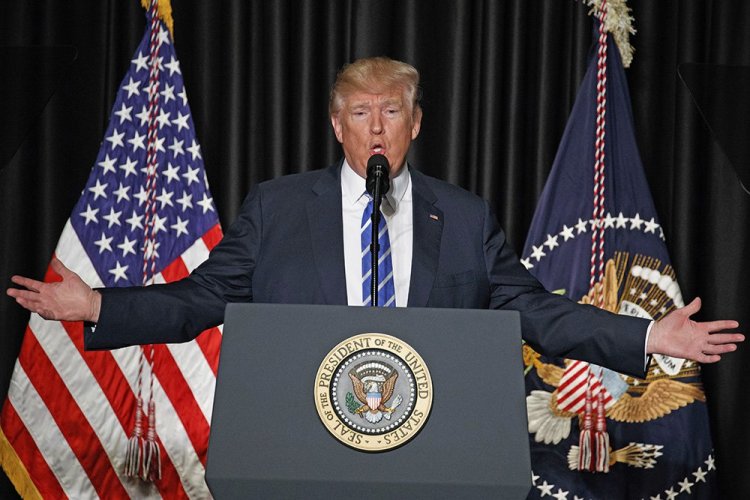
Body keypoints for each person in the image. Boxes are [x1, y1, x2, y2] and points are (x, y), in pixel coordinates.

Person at [6, 56, 743, 378]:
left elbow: (535, 314)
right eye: (361, 112)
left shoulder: (462, 215)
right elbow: (202, 299)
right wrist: (96, 303)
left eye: (392, 110)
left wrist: (647, 333)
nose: (378, 127)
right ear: (337, 126)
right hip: (301, 439)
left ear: (416, 123)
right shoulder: (278, 207)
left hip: (429, 448)